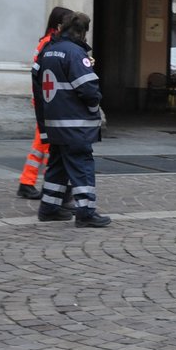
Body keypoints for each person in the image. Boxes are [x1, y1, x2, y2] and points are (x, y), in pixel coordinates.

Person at [32, 12, 111, 228]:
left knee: (57, 165)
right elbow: (89, 90)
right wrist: (95, 109)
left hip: (54, 122)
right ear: (81, 32)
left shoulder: (46, 52)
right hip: (76, 124)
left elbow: (38, 91)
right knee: (82, 165)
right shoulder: (75, 53)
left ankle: (48, 208)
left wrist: (44, 124)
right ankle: (85, 212)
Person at [17, 6, 72, 200]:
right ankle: (53, 185)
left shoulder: (46, 42)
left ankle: (28, 182)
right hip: (49, 100)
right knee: (49, 145)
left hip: (45, 99)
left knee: (42, 143)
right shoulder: (51, 44)